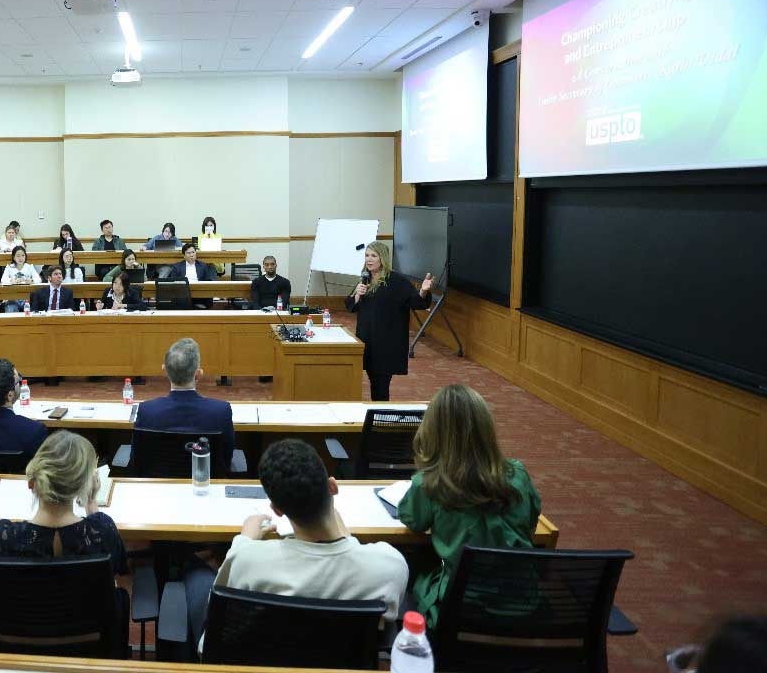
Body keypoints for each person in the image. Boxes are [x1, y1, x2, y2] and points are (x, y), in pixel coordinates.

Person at [182, 439, 409, 642]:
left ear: (277, 510)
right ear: (332, 486)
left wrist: (243, 540)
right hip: (343, 664)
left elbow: (217, 617)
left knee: (197, 573)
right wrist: (345, 536)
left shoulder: (247, 560)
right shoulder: (390, 564)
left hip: (265, 661)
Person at [398, 383, 541, 630]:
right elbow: (532, 520)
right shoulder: (518, 475)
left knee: (411, 567)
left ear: (432, 431)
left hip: (460, 607)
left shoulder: (430, 483)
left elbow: (412, 520)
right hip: (522, 605)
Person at [0, 430, 126, 575]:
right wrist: (91, 501)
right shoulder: (103, 531)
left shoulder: (2, 537)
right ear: (82, 487)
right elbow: (118, 569)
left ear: (31, 483)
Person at [345, 241, 433, 401]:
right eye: (366, 255)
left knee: (381, 386)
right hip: (367, 340)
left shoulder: (396, 281)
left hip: (386, 344)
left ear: (382, 258)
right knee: (374, 382)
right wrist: (357, 294)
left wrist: (423, 291)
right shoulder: (365, 279)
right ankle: (377, 411)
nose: (369, 259)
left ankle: (380, 413)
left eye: (373, 256)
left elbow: (417, 302)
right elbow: (350, 306)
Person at [134, 338, 233, 468]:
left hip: (159, 480)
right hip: (205, 479)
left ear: (165, 371)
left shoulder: (146, 410)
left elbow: (137, 458)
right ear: (198, 374)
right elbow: (227, 458)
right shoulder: (221, 411)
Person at [166, 243, 217, 308]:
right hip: (184, 292)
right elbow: (173, 282)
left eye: (193, 252)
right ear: (184, 255)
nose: (191, 255)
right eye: (188, 253)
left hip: (199, 292)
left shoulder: (203, 265)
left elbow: (207, 281)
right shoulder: (177, 266)